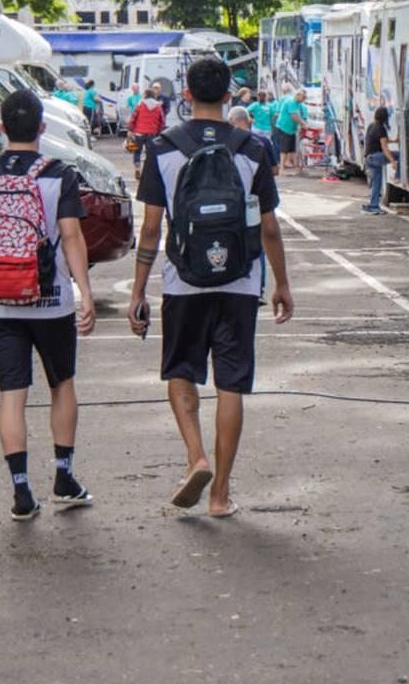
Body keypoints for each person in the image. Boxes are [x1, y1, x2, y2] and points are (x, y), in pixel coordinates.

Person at [128, 56, 294, 518]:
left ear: (185, 95)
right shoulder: (253, 147)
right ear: (228, 96)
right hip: (240, 280)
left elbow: (150, 229)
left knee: (181, 371)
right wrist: (281, 283)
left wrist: (138, 292)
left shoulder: (162, 148)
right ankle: (220, 494)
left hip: (184, 281)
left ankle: (195, 456)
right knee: (231, 385)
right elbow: (269, 227)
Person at [0, 90, 98, 521]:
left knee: (11, 396)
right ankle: (64, 478)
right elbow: (71, 236)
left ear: (1, 130)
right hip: (51, 303)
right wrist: (84, 292)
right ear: (42, 128)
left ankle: (20, 492)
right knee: (61, 384)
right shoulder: (59, 174)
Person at [363, 105, 397, 214]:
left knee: (376, 183)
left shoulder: (371, 126)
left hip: (368, 158)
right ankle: (398, 176)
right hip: (376, 157)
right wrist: (392, 161)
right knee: (399, 155)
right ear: (385, 118)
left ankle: (373, 206)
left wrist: (393, 141)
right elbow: (385, 149)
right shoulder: (381, 128)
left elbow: (380, 141)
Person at [126, 86, 166, 178]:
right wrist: (158, 132)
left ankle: (137, 169)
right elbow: (162, 121)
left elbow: (134, 118)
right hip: (151, 134)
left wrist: (130, 129)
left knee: (137, 151)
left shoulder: (140, 104)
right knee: (150, 153)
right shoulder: (158, 106)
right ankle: (147, 172)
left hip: (139, 133)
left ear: (146, 95)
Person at [228, 105, 278, 177]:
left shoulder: (226, 141)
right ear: (248, 120)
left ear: (231, 121)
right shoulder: (264, 141)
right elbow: (275, 170)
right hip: (261, 184)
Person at [274, 88, 307, 177]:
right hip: (284, 127)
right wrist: (303, 124)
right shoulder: (291, 102)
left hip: (291, 129)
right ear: (298, 95)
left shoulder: (298, 103)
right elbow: (294, 116)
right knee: (284, 149)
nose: (304, 99)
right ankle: (281, 169)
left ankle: (293, 167)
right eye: (303, 97)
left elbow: (300, 115)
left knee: (291, 149)